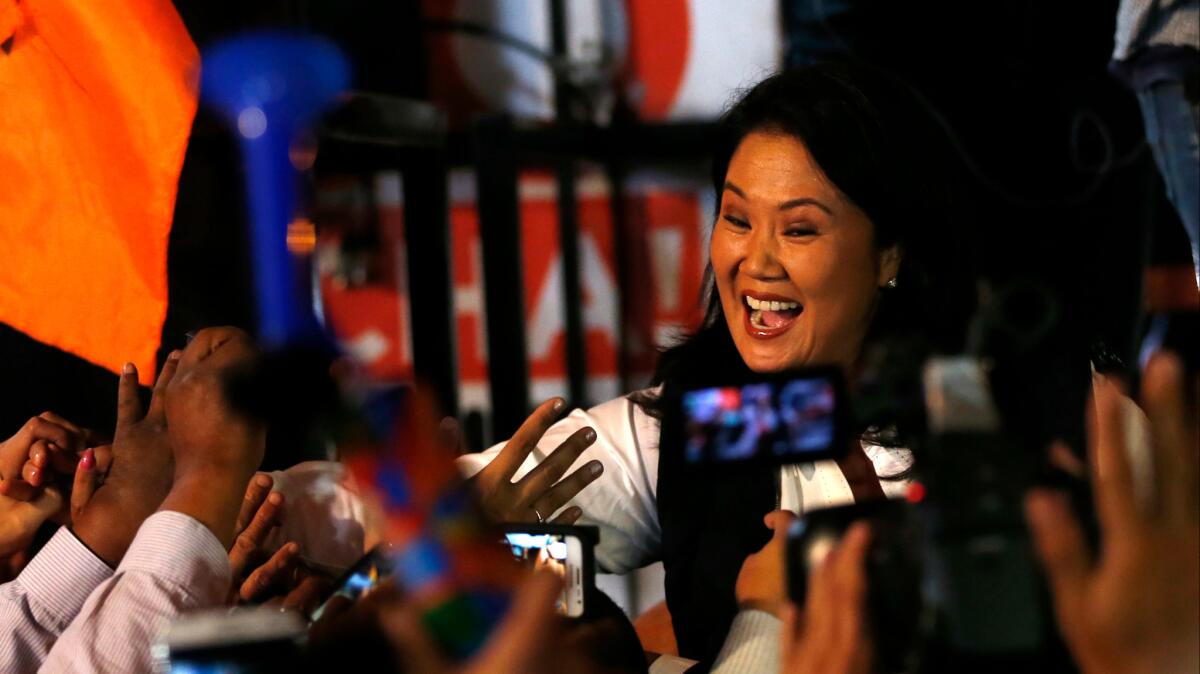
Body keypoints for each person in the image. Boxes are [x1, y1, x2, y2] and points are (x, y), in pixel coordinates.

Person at [460, 62, 976, 664]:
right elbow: (403, 523)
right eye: (736, 219)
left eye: (799, 229)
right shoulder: (709, 421)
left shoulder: (983, 415)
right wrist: (459, 526)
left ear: (889, 254)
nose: (756, 261)